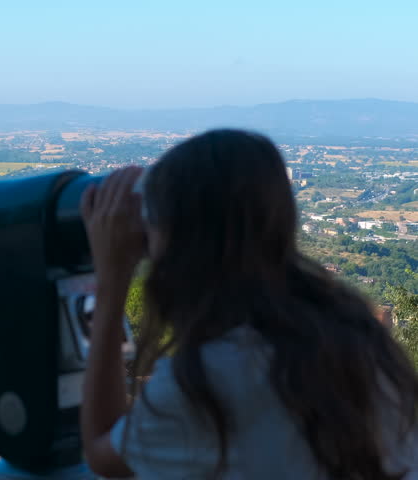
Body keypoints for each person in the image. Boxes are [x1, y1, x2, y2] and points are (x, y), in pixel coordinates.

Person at [78, 129, 418, 479]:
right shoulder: (357, 336)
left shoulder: (207, 382)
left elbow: (102, 454)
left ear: (178, 242)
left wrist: (111, 279)